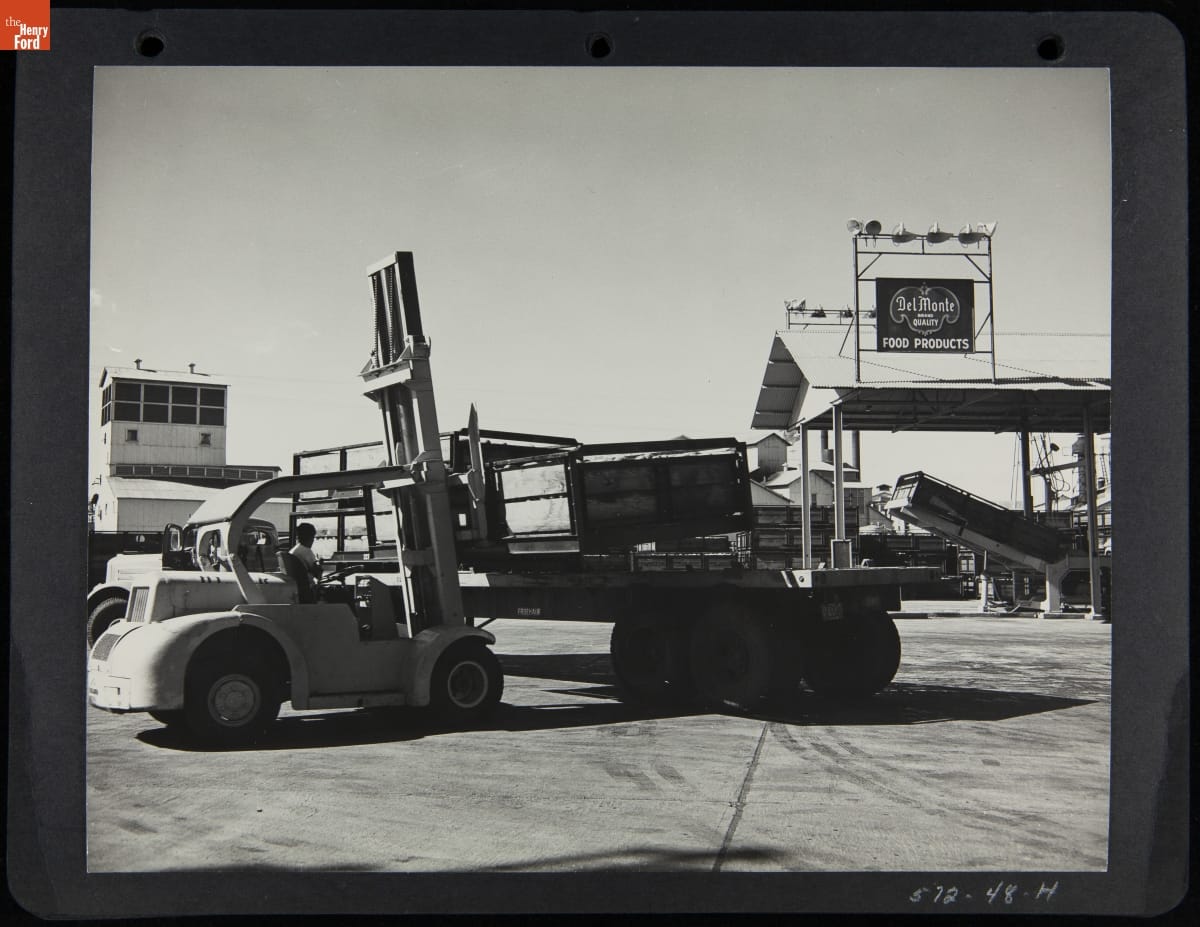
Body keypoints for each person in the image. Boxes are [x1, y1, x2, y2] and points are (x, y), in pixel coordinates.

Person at [289, 523, 324, 591]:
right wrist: (320, 564)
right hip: (308, 588)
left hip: (297, 586)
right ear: (310, 537)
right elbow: (318, 575)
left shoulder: (294, 550)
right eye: (313, 537)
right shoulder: (306, 552)